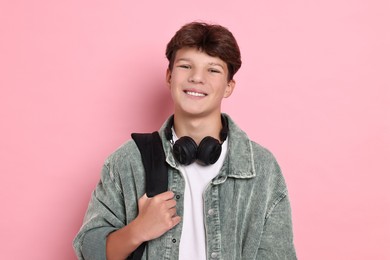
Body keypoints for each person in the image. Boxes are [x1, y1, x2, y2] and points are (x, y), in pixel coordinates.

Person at [73, 21, 296, 260]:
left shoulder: (260, 167)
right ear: (169, 76)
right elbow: (89, 250)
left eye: (213, 70)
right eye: (185, 66)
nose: (197, 78)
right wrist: (138, 230)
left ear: (229, 86)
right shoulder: (129, 161)